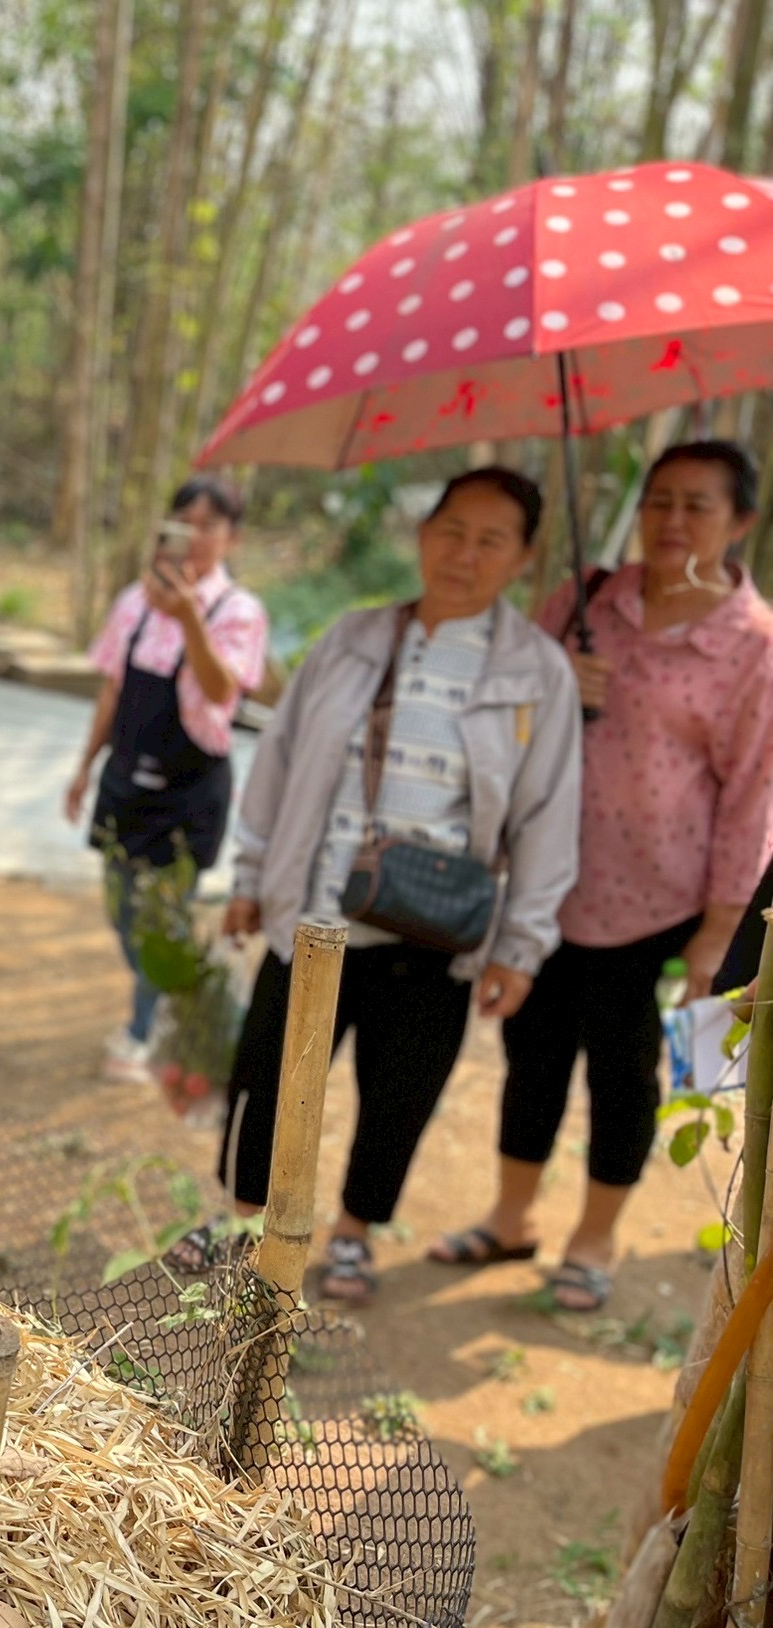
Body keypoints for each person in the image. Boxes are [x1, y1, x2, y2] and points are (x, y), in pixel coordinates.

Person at [215, 467, 582, 1303]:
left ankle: (352, 1236)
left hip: (434, 930)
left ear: (524, 558)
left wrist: (522, 946)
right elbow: (277, 761)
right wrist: (249, 873)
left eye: (492, 540)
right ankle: (242, 1226)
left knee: (400, 1090)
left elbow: (546, 816)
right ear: (423, 535)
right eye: (451, 529)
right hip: (311, 913)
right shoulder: (352, 639)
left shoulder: (538, 672)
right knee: (266, 1074)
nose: (465, 553)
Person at [438, 442, 773, 1311]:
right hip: (549, 885)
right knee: (532, 1056)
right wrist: (554, 683)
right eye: (659, 500)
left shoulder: (753, 646)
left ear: (740, 522)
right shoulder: (586, 601)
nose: (670, 522)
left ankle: (595, 1240)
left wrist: (718, 927)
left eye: (697, 506)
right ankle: (511, 1219)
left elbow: (752, 795)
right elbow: (497, 700)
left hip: (661, 904)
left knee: (623, 1073)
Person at [64, 475, 268, 1080]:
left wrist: (189, 621)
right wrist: (84, 767)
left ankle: (144, 1031)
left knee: (160, 916)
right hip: (126, 779)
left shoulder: (239, 613)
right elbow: (113, 689)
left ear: (233, 538)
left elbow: (221, 688)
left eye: (211, 525)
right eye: (186, 522)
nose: (196, 538)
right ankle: (188, 992)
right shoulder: (134, 602)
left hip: (187, 792)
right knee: (120, 908)